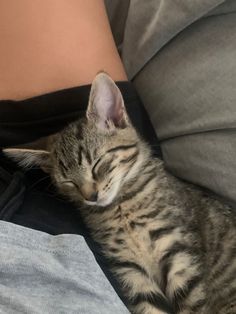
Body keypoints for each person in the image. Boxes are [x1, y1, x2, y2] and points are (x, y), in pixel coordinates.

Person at [0, 0, 235, 313]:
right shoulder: (92, 208)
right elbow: (139, 285)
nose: (91, 193)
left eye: (99, 168)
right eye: (73, 185)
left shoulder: (154, 187)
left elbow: (183, 270)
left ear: (116, 117)